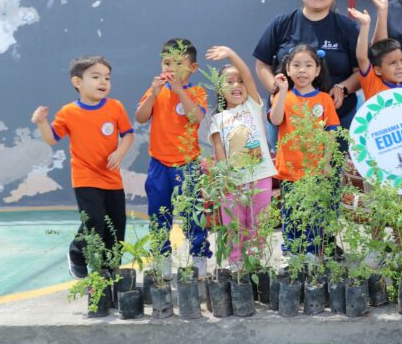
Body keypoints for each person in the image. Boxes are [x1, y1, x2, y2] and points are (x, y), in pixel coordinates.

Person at [31, 56, 134, 279]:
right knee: (94, 220)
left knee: (116, 225)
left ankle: (110, 269)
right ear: (77, 82)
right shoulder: (68, 112)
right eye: (95, 77)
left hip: (112, 178)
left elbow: (128, 135)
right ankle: (77, 254)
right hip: (85, 176)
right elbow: (52, 139)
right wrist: (41, 123)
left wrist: (119, 152)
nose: (103, 82)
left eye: (107, 77)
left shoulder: (115, 107)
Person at [135, 38, 211, 278]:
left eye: (178, 62)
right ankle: (162, 257)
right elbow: (140, 117)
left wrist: (178, 90)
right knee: (159, 212)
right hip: (158, 163)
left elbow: (196, 118)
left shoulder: (196, 92)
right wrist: (153, 94)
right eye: (166, 62)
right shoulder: (155, 90)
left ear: (193, 68)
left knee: (192, 214)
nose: (170, 68)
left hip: (186, 164)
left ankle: (198, 256)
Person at [254, 0, 360, 133]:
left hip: (337, 118)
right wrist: (276, 90)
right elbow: (262, 65)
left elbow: (361, 71)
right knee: (288, 160)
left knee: (334, 160)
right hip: (287, 117)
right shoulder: (282, 23)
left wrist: (343, 87)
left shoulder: (348, 28)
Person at [206, 45, 277, 269]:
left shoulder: (253, 106)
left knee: (259, 222)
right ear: (219, 89)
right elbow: (220, 153)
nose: (236, 85)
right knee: (234, 224)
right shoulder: (218, 119)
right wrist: (225, 179)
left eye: (240, 81)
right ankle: (236, 264)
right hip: (233, 183)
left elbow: (248, 73)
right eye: (229, 82)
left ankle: (255, 263)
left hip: (260, 178)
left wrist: (231, 54)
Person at [269, 44, 340, 253]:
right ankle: (292, 254)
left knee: (314, 215)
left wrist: (326, 162)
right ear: (288, 69)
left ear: (317, 71)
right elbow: (275, 119)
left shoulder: (324, 100)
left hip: (315, 172)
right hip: (290, 172)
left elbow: (331, 134)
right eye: (296, 65)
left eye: (308, 65)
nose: (302, 70)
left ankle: (311, 254)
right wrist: (281, 92)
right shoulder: (283, 96)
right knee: (290, 215)